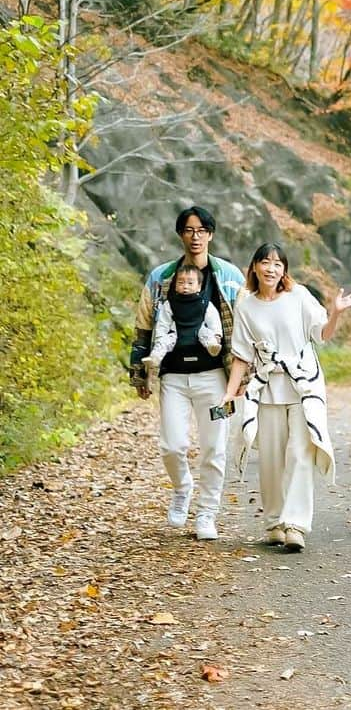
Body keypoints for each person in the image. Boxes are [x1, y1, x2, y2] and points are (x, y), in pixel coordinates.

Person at [222, 243, 351, 552]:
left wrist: (335, 312)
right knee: (271, 459)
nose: (271, 269)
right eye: (265, 262)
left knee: (300, 454)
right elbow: (242, 356)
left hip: (303, 387)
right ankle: (274, 522)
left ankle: (296, 525)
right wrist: (230, 392)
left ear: (284, 270)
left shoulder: (298, 297)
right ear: (255, 268)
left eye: (277, 264)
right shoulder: (245, 306)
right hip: (267, 389)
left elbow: (321, 334)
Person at [129, 206, 245, 541]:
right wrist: (140, 373)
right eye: (189, 230)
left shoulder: (229, 277)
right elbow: (143, 326)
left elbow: (245, 326)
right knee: (172, 445)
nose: (195, 237)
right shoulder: (161, 278)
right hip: (174, 379)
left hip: (216, 379)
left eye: (201, 230)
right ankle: (182, 488)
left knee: (215, 447)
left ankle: (207, 513)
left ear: (211, 234)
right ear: (181, 234)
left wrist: (242, 377)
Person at [143, 264, 223, 381]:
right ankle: (155, 357)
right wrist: (160, 338)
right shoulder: (170, 304)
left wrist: (217, 335)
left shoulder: (204, 303)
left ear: (199, 286)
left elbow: (214, 320)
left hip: (198, 329)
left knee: (206, 333)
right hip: (176, 331)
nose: (185, 286)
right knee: (165, 341)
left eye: (190, 283)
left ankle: (212, 346)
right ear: (175, 285)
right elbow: (162, 324)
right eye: (181, 283)